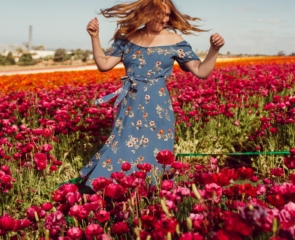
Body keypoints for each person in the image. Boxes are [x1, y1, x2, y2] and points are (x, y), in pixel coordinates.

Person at [80, 0, 225, 190]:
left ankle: (151, 195)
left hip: (158, 107)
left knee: (155, 151)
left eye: (167, 15)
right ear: (146, 12)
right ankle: (109, 189)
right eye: (160, 14)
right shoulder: (127, 38)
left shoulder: (175, 41)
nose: (164, 19)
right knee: (121, 146)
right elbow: (104, 65)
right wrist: (95, 37)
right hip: (130, 103)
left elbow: (201, 71)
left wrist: (214, 50)